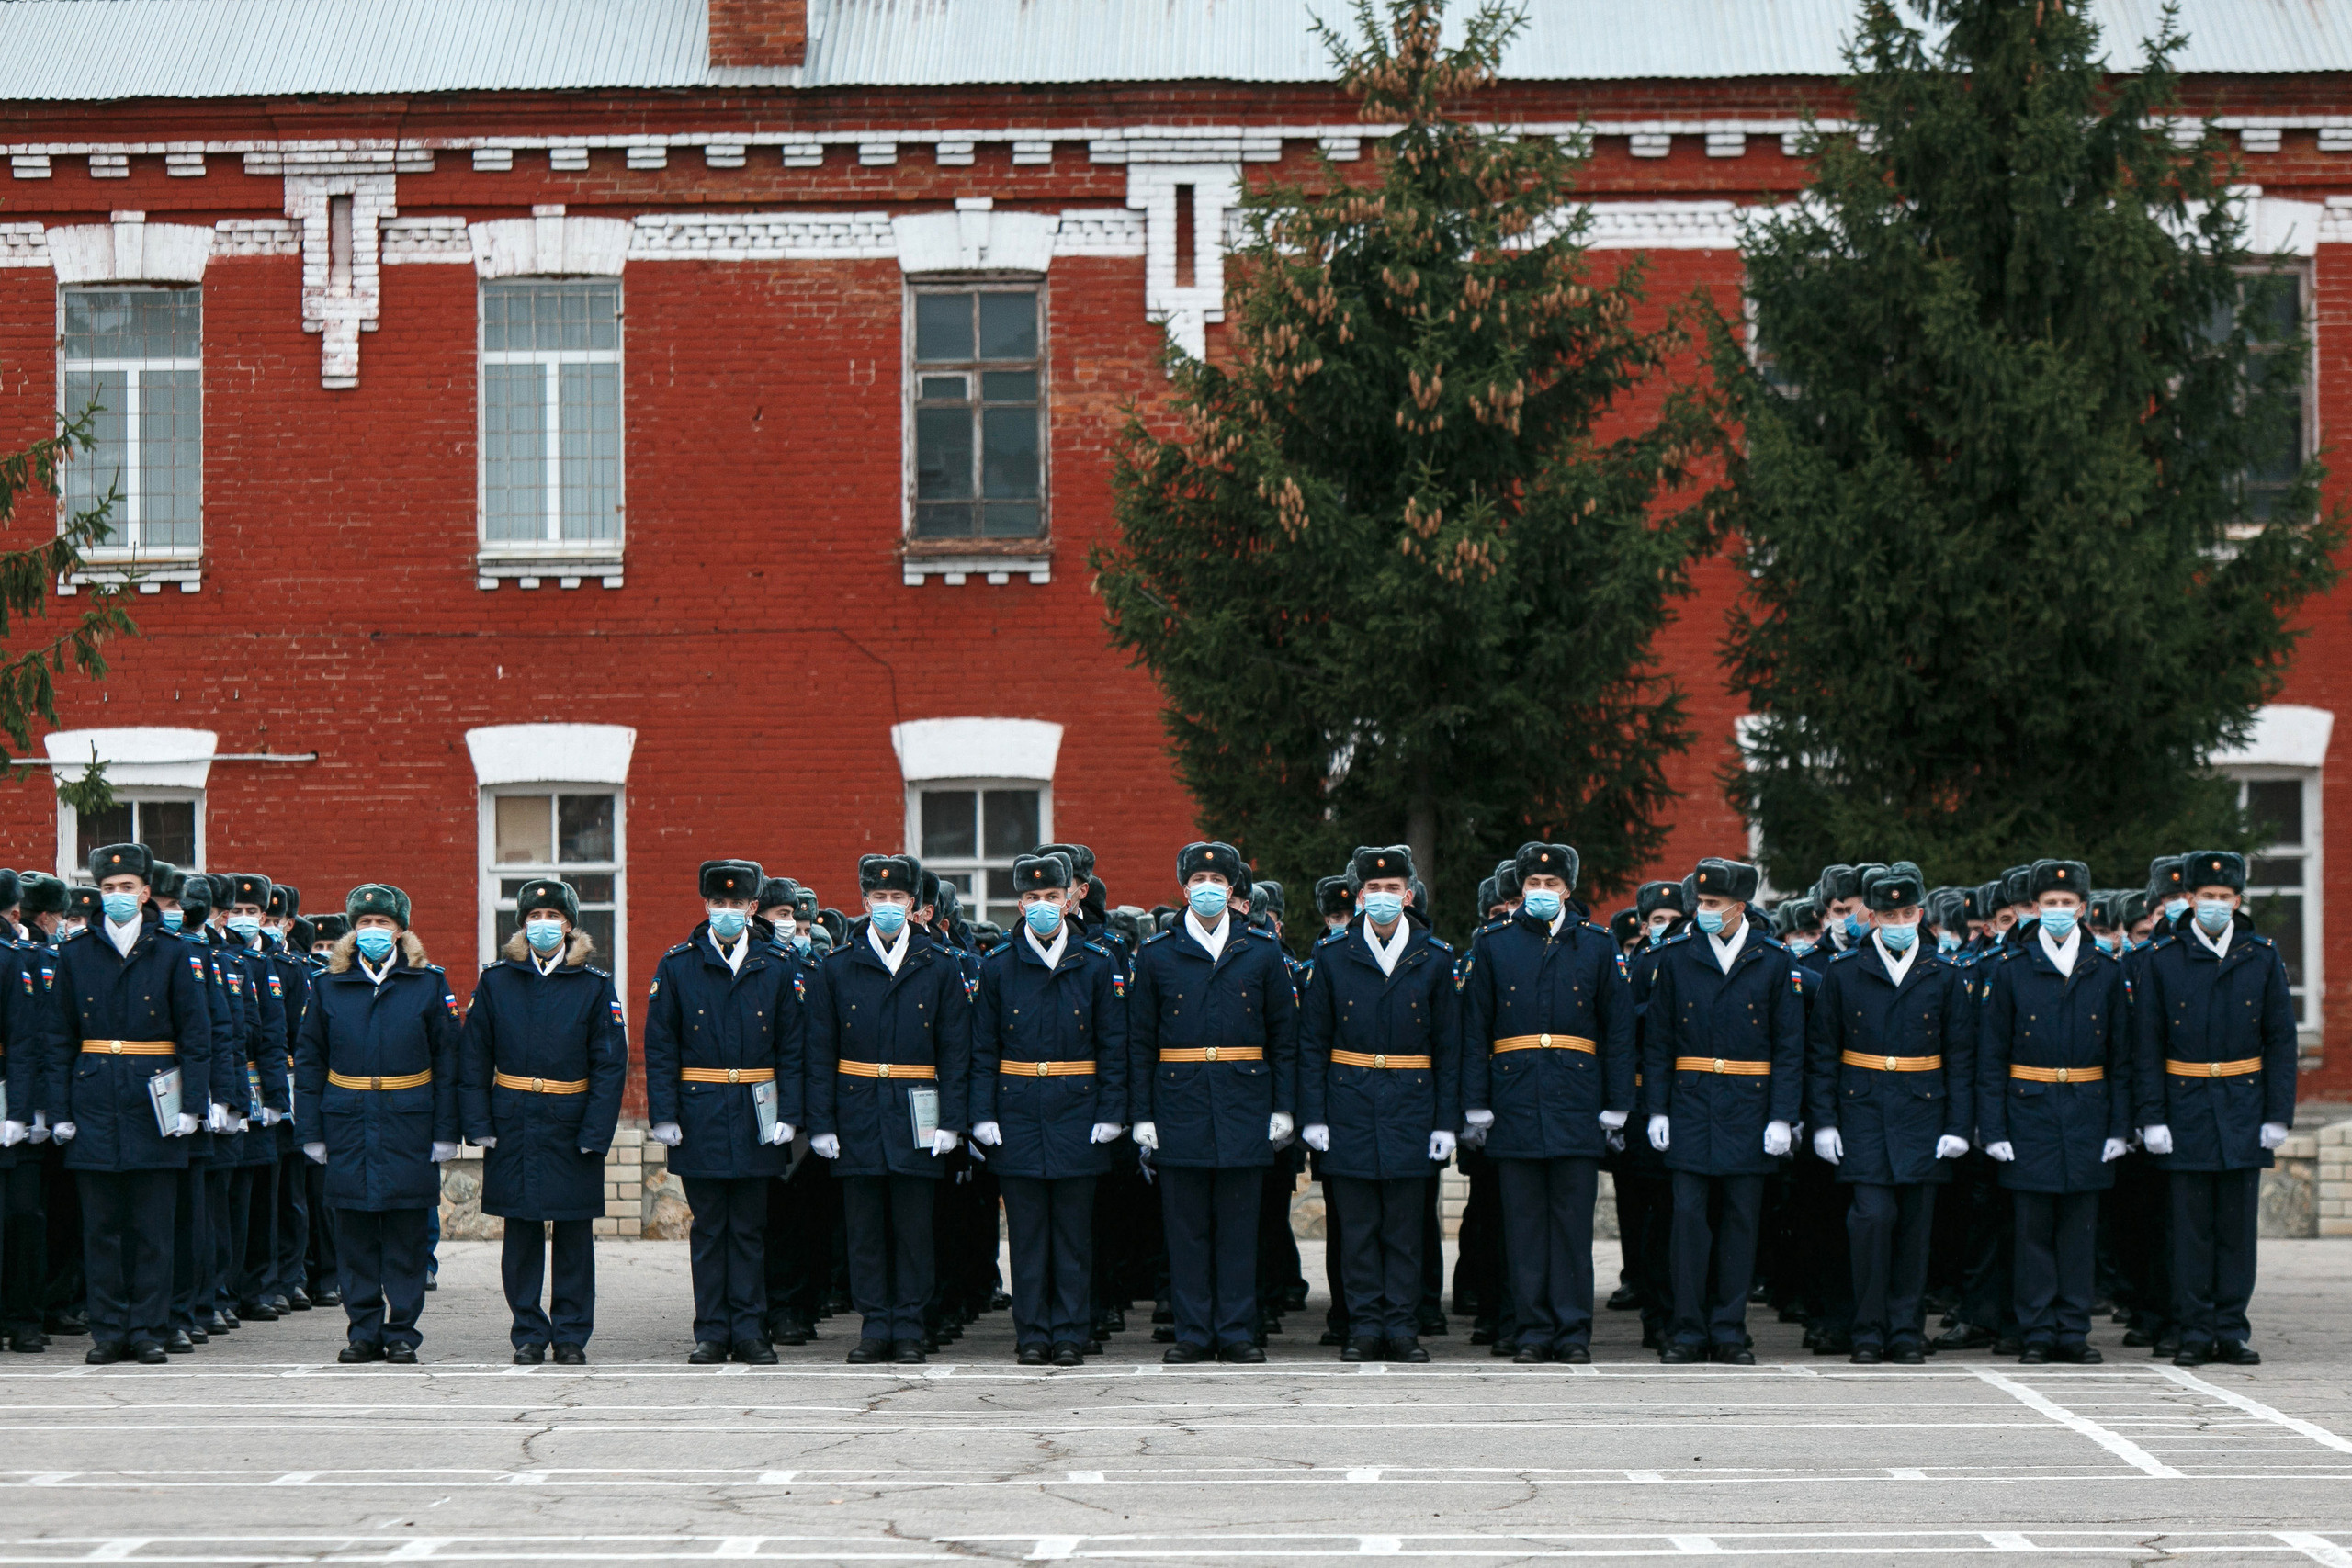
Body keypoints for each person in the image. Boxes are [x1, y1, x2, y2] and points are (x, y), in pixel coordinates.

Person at [1458, 841, 1634, 1364]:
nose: (1540, 893)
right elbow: (1475, 1030)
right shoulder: (1494, 944)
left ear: (1567, 890)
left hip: (1577, 1103)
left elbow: (1619, 1030)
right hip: (1513, 1102)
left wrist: (1617, 1103)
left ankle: (1574, 1331)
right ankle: (1532, 1330)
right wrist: (1476, 1104)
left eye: (1550, 885)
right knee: (1524, 1229)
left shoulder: (1599, 945)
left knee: (1572, 1229)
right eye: (1532, 885)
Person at [1127, 840, 1299, 1365]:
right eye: (1197, 883)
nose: (1207, 891)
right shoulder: (1158, 954)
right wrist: (1142, 1115)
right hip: (1178, 1106)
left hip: (1245, 1103)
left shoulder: (1263, 951)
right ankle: (1194, 1333)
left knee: (1240, 1229)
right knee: (1186, 1231)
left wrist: (1283, 1108)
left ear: (1232, 890)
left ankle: (1237, 1332)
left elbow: (1284, 1037)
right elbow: (1139, 1041)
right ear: (1184, 890)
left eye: (1217, 883)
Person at [2132, 849, 2298, 1367]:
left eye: (2226, 897)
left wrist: (2278, 1113)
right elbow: (2148, 1044)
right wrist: (2152, 1116)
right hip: (2185, 1109)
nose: (2216, 905)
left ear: (2238, 900)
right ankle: (2194, 1329)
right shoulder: (2165, 957)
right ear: (2188, 899)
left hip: (2244, 1107)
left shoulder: (2261, 954)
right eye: (2207, 897)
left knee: (2235, 1230)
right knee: (2190, 1230)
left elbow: (2280, 1041)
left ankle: (2231, 1328)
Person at [50, 842, 212, 1365]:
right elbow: (57, 1039)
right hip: (95, 1095)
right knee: (101, 1228)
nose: (117, 897)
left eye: (126, 888)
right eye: (107, 889)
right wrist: (59, 1111)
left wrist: (194, 1104)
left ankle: (147, 1328)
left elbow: (197, 1033)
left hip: (153, 1099)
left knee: (152, 1228)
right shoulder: (76, 954)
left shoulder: (172, 952)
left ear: (146, 893)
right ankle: (108, 1331)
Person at [1804, 864, 1974, 1365]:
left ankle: (1905, 1329)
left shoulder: (1943, 974)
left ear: (1920, 914)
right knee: (1871, 1220)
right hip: (1862, 1111)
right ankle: (1867, 1327)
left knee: (1915, 1227)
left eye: (1907, 912)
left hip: (1923, 1112)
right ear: (1872, 917)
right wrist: (1825, 1121)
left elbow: (1961, 1056)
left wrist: (1958, 1126)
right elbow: (1822, 1053)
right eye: (1888, 913)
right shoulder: (1844, 972)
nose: (1898, 921)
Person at [805, 853, 970, 1365]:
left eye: (899, 899)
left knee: (915, 1230)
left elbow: (957, 1049)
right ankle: (875, 1325)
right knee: (866, 1230)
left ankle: (911, 1328)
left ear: (914, 904)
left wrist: (953, 1121)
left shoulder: (939, 965)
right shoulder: (838, 966)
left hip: (916, 1111)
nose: (889, 906)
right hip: (857, 1112)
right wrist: (821, 1122)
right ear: (865, 902)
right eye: (880, 898)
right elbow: (818, 1050)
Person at [1297, 844, 1457, 1363]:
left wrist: (1446, 1122)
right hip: (1348, 1104)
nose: (1383, 898)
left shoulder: (1435, 958)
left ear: (1408, 895)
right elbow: (1312, 1042)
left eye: (1393, 890)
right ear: (1360, 896)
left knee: (1406, 1229)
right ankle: (1364, 1327)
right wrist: (1313, 1115)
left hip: (1412, 1105)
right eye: (1373, 890)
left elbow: (1450, 1047)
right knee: (1359, 1229)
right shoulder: (1332, 954)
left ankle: (1402, 1327)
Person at [969, 852, 1129, 1366]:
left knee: (1074, 1235)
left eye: (1052, 897)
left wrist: (1112, 1111)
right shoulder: (999, 966)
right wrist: (982, 1115)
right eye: (1033, 898)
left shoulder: (1096, 962)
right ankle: (1033, 1333)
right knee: (1028, 1234)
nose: (1042, 906)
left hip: (1078, 1113)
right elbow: (982, 1049)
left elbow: (1114, 1044)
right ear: (1019, 903)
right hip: (1016, 1113)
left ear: (1069, 900)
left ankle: (1071, 1334)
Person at [644, 859, 806, 1366]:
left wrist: (790, 1112)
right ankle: (712, 1330)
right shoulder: (678, 965)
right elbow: (661, 1045)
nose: (729, 912)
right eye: (720, 903)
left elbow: (793, 1047)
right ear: (706, 906)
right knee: (711, 1229)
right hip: (701, 1114)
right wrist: (664, 1113)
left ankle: (751, 1330)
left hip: (759, 1114)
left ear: (753, 907)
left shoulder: (776, 966)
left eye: (738, 904)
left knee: (752, 1229)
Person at [1643, 856, 1804, 1365]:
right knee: (1688, 1220)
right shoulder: (1676, 957)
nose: (1702, 911)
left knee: (1740, 1223)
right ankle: (1688, 1330)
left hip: (1749, 1109)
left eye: (1713, 904)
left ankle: (1730, 1329)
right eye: (1701, 903)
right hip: (1690, 1105)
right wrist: (1658, 1110)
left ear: (1740, 907)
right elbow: (1660, 1039)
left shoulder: (1773, 961)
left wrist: (1783, 1116)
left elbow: (1789, 1045)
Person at [459, 877, 628, 1365]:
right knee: (522, 1232)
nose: (543, 925)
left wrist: (597, 1132)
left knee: (574, 1234)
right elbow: (474, 1059)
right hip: (513, 1120)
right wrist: (479, 1123)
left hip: (570, 1121)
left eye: (553, 917)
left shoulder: (594, 986)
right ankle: (528, 1331)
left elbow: (610, 1065)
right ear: (522, 926)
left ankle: (572, 1333)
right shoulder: (497, 981)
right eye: (534, 918)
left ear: (571, 925)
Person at [294, 885, 460, 1365]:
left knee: (406, 1233)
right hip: (346, 1120)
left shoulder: (428, 984)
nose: (372, 932)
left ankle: (402, 1330)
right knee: (354, 1234)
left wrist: (446, 1130)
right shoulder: (329, 984)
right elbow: (309, 1061)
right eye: (364, 923)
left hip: (409, 1119)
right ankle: (363, 1330)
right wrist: (311, 1131)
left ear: (401, 929)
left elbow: (449, 1060)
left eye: (382, 924)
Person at [1975, 859, 2129, 1365]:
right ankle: (2037, 1330)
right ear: (2034, 909)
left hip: (2087, 1113)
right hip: (2030, 1115)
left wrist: (2119, 1127)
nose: (2058, 912)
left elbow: (2123, 1058)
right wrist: (1993, 1127)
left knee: (2079, 1233)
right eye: (2049, 904)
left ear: (2083, 909)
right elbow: (1992, 1055)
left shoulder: (2105, 970)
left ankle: (2073, 1330)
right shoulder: (2012, 969)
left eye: (2067, 904)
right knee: (2032, 1232)